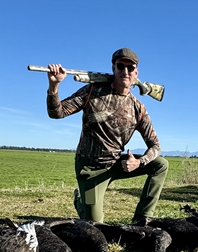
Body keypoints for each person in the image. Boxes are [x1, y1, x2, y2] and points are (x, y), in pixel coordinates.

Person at [46, 48, 168, 223]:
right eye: (121, 66)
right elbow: (57, 113)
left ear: (136, 73)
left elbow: (156, 146)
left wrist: (138, 162)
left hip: (115, 163)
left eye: (130, 68)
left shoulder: (138, 107)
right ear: (113, 68)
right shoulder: (91, 91)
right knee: (96, 226)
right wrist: (54, 85)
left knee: (161, 165)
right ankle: (81, 203)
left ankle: (143, 219)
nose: (125, 71)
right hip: (90, 169)